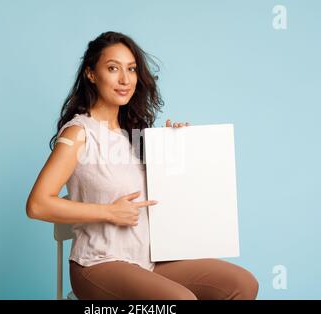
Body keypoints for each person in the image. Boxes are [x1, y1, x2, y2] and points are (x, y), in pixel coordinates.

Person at [26, 31, 259, 300]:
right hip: (98, 264)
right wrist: (109, 212)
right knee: (179, 301)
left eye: (131, 69)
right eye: (113, 68)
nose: (125, 79)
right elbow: (37, 205)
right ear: (91, 74)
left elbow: (169, 198)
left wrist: (179, 144)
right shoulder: (78, 133)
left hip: (147, 261)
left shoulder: (134, 135)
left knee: (242, 284)